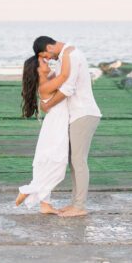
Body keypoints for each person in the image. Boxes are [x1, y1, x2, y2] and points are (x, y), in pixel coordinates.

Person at [33, 36, 101, 218]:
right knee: (74, 161)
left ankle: (79, 206)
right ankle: (75, 204)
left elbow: (67, 88)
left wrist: (47, 105)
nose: (47, 59)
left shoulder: (70, 55)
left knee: (78, 161)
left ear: (49, 46)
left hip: (83, 113)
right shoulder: (66, 55)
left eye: (45, 55)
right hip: (77, 114)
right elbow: (57, 81)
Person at [16, 45, 75, 214]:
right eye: (43, 61)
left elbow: (60, 77)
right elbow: (64, 75)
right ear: (37, 70)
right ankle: (27, 189)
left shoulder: (47, 79)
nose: (47, 61)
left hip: (55, 124)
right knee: (57, 163)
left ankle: (45, 204)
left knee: (48, 162)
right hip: (56, 126)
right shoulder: (44, 84)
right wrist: (67, 53)